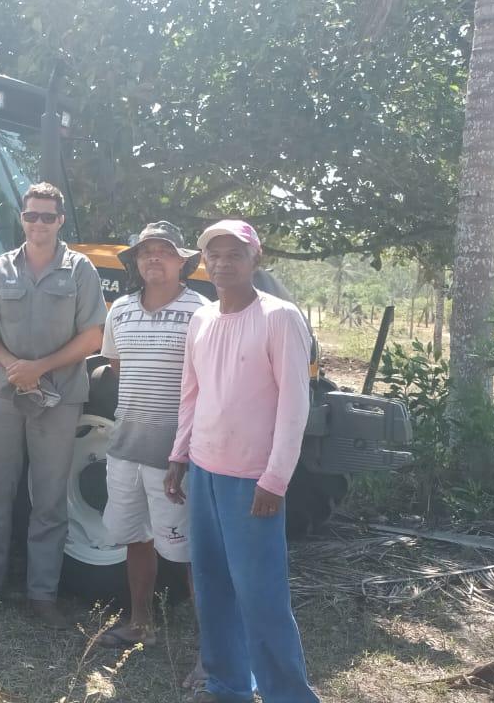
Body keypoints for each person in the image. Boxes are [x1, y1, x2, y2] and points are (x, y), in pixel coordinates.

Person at [167, 220, 319, 703]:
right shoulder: (202, 318)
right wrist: (179, 455)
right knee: (212, 590)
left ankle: (288, 696)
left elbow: (296, 406)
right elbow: (191, 395)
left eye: (234, 254)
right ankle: (227, 686)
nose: (222, 263)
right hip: (205, 472)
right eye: (213, 255)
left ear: (257, 259)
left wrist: (275, 479)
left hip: (252, 480)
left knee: (261, 599)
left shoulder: (280, 317)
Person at [0, 182, 107, 629]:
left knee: (49, 499)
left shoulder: (80, 270)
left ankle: (42, 594)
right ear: (21, 218)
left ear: (60, 221)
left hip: (59, 397)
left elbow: (94, 337)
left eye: (47, 216)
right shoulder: (0, 268)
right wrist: (10, 364)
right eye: (31, 215)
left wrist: (39, 367)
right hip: (6, 393)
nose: (38, 223)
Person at [95, 222, 207, 686]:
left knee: (190, 553)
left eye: (164, 252)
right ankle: (141, 623)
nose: (154, 259)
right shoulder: (119, 310)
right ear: (136, 263)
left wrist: (186, 450)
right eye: (146, 253)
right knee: (135, 538)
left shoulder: (202, 311)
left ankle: (212, 654)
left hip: (177, 454)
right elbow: (118, 368)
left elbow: (210, 382)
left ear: (182, 261)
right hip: (125, 446)